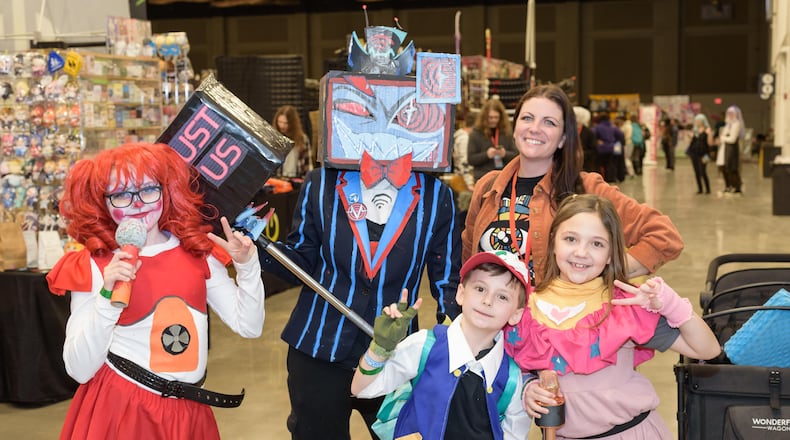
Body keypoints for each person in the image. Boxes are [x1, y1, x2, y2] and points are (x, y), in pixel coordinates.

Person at [259, 22, 462, 440]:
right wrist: (254, 249)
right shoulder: (320, 184)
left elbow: (446, 278)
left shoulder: (436, 196)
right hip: (319, 348)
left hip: (394, 352)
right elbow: (302, 257)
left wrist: (461, 344)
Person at [45, 142, 265, 439]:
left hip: (190, 412)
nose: (137, 203)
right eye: (121, 195)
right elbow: (79, 368)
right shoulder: (96, 265)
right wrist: (108, 297)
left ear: (167, 191)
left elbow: (249, 326)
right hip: (123, 411)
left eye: (148, 190)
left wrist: (248, 267)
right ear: (103, 202)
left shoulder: (196, 252)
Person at [511, 194, 721, 439]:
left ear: (611, 254)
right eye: (570, 239)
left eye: (597, 244)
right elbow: (511, 367)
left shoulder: (625, 303)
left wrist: (671, 304)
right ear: (553, 242)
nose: (581, 252)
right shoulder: (524, 307)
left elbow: (707, 349)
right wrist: (527, 388)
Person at [463, 84, 683, 285]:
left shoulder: (586, 189)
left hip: (556, 323)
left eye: (549, 122)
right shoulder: (488, 187)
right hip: (493, 324)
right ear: (515, 128)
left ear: (562, 138)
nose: (535, 128)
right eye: (527, 118)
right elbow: (466, 256)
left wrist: (605, 273)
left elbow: (664, 236)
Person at [351, 250, 532, 440]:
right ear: (461, 294)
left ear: (516, 314)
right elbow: (361, 390)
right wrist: (380, 348)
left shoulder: (511, 380)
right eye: (480, 289)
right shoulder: (425, 347)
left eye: (502, 297)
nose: (487, 301)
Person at [467, 98, 518, 182]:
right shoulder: (476, 133)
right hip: (483, 178)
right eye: (490, 117)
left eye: (496, 117)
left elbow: (517, 155)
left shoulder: (507, 132)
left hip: (504, 177)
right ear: (485, 117)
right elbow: (471, 159)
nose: (493, 120)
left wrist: (505, 154)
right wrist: (486, 155)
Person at [274, 104, 313, 179]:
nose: (282, 126)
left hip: (297, 181)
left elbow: (308, 166)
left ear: (292, 124)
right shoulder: (275, 138)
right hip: (279, 181)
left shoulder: (303, 139)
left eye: (285, 123)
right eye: (280, 122)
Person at [716, 105, 745, 194]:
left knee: (732, 168)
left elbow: (732, 139)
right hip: (724, 149)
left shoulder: (736, 124)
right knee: (723, 168)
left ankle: (736, 186)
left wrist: (723, 138)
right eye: (729, 113)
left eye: (732, 113)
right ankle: (728, 186)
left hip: (731, 150)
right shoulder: (727, 125)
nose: (730, 115)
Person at [688, 114, 713, 194]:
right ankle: (700, 189)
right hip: (694, 153)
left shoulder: (707, 130)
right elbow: (691, 143)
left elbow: (710, 143)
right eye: (696, 121)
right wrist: (691, 137)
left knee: (703, 171)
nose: (698, 122)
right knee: (697, 172)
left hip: (704, 154)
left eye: (699, 121)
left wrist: (709, 134)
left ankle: (708, 189)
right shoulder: (695, 130)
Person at [572, 106, 597, 173]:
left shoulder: (589, 132)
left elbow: (594, 150)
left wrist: (582, 154)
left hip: (585, 165)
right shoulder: (568, 130)